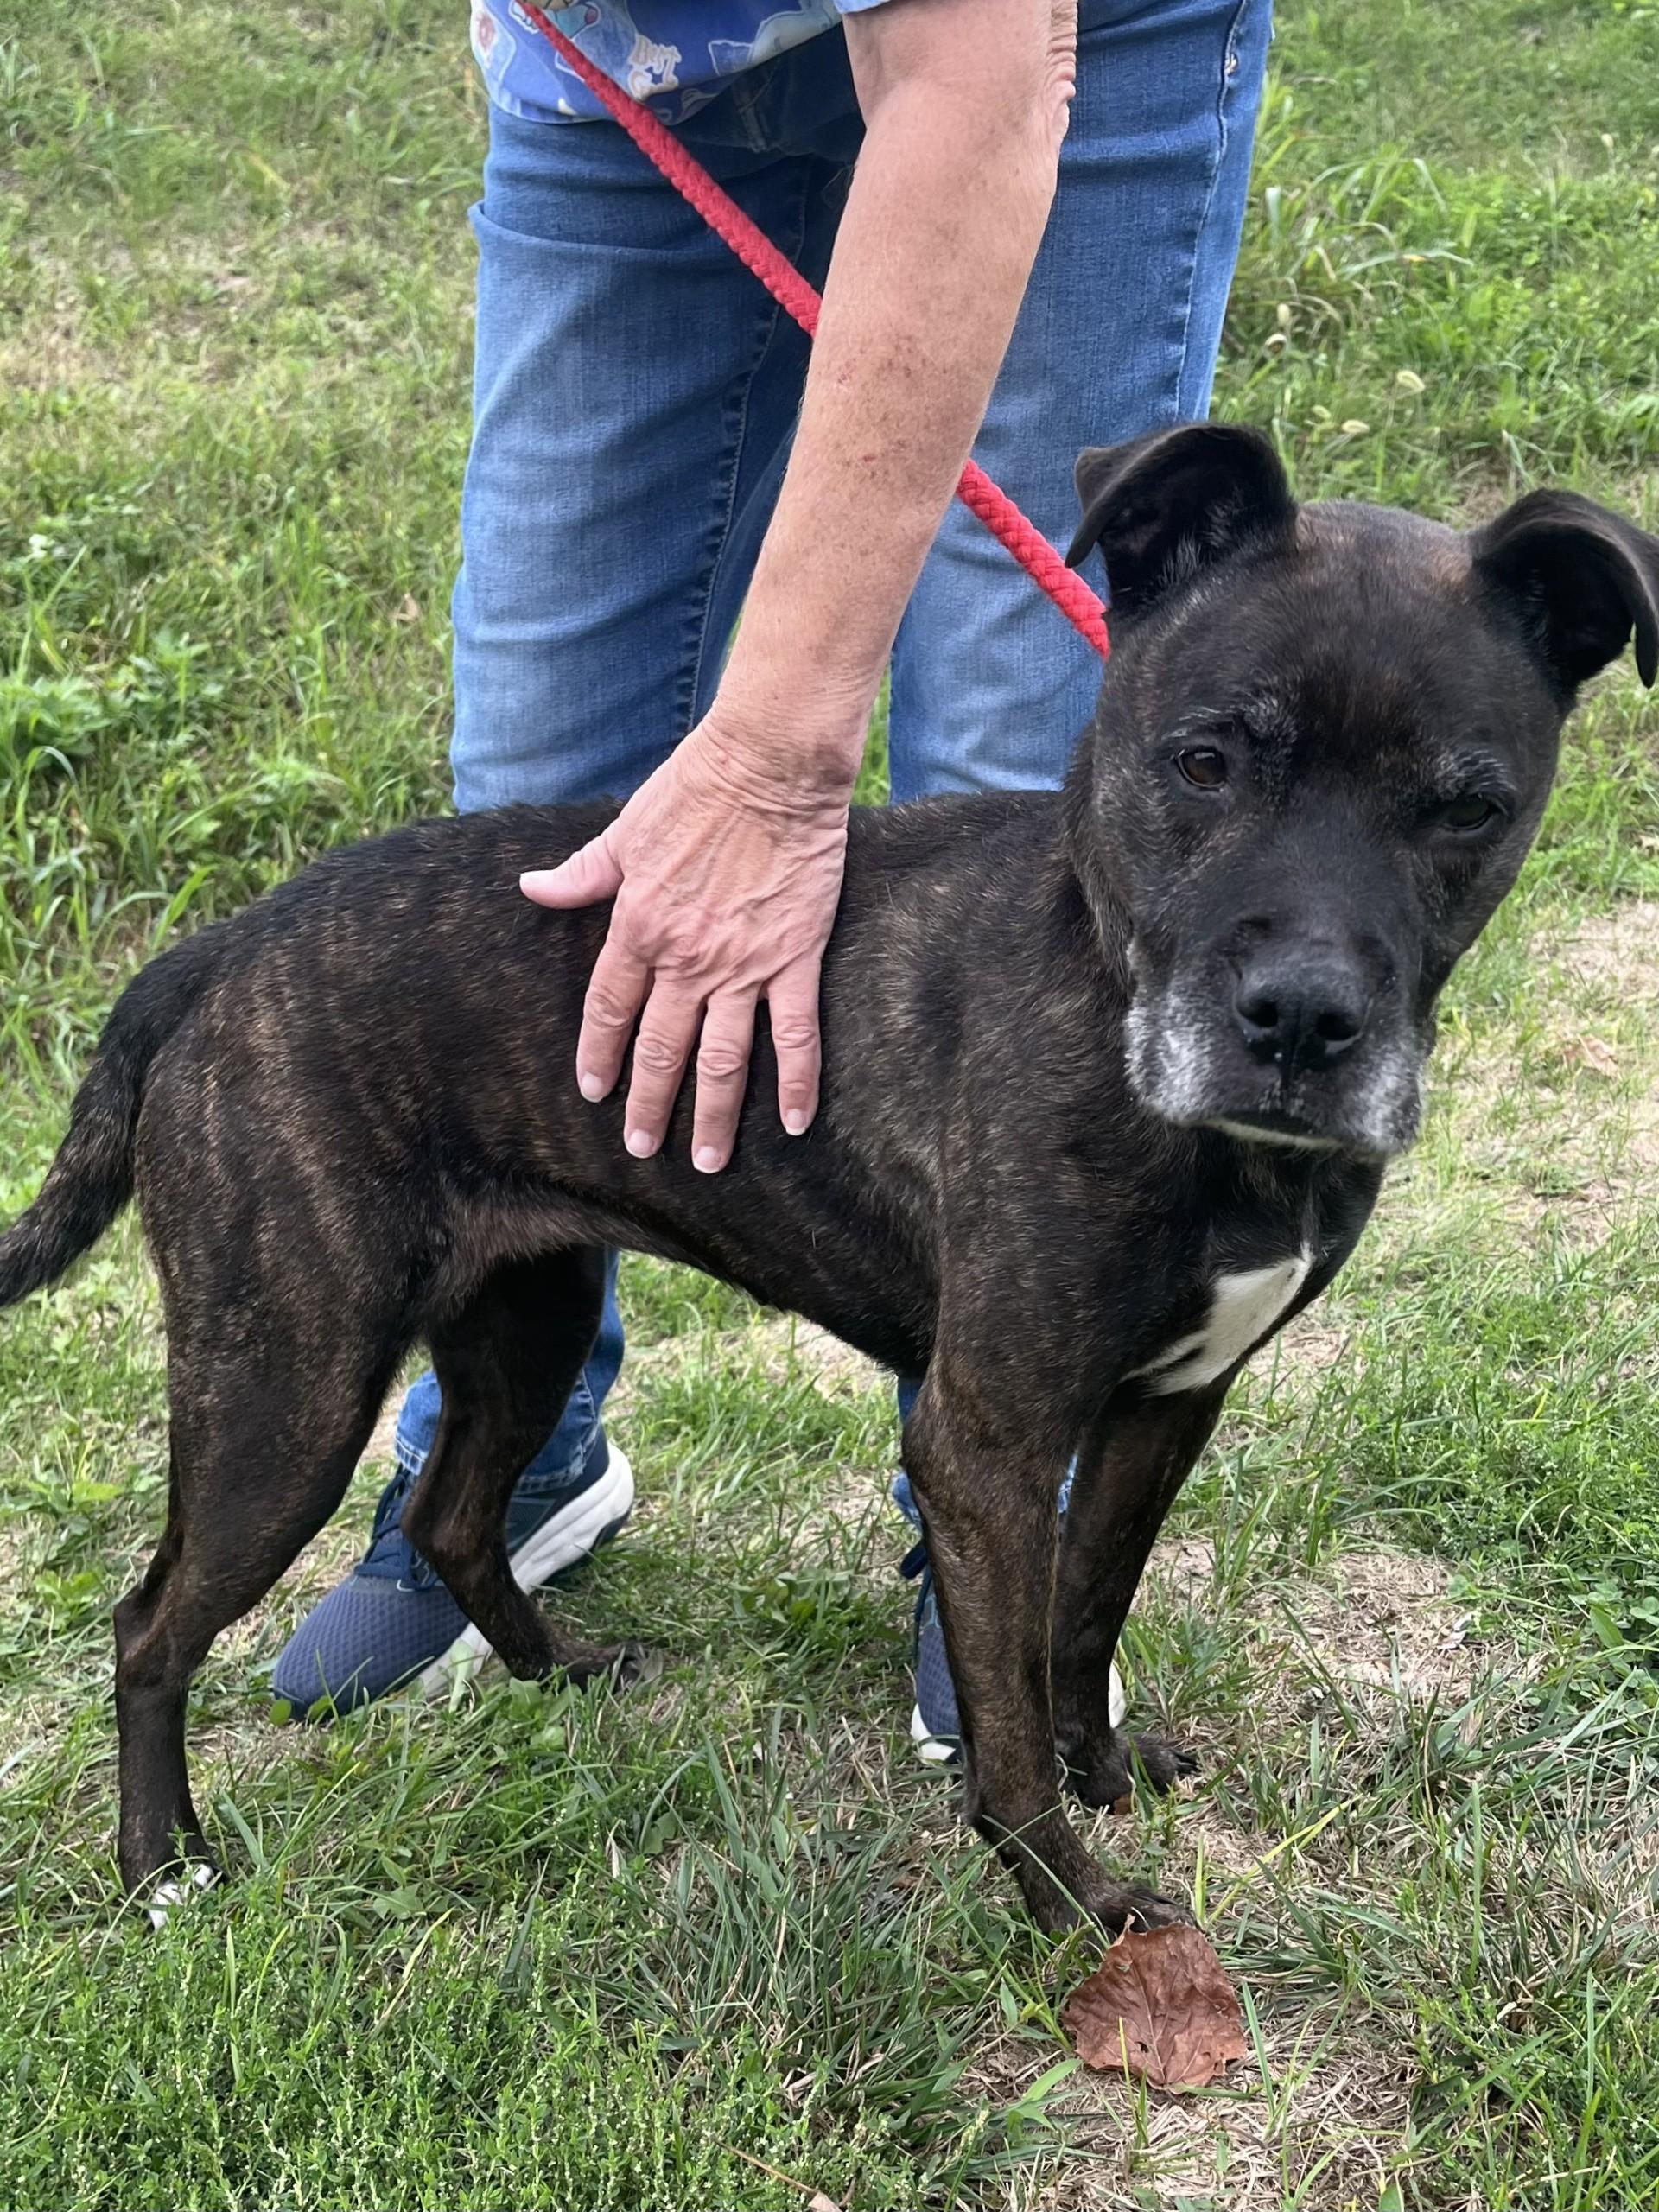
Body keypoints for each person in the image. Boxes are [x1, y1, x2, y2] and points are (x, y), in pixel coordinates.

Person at [273, 0, 1271, 1754]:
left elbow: (975, 70)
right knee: (538, 825)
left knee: (1023, 830)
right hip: (635, 61)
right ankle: (510, 1441)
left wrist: (775, 748)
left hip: (1034, 42)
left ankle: (993, 1527)